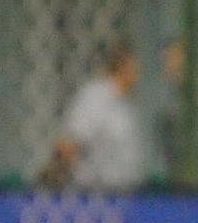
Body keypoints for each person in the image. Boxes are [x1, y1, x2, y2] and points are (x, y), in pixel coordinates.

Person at [44, 44, 146, 191]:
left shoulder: (125, 103)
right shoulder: (95, 97)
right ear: (123, 67)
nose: (139, 72)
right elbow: (68, 144)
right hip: (97, 193)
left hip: (127, 193)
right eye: (135, 66)